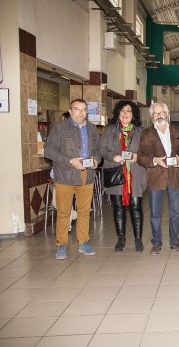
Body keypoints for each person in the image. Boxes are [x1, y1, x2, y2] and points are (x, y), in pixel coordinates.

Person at [44, 99, 100, 259]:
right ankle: (61, 245)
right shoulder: (59, 128)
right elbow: (49, 150)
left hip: (86, 175)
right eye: (77, 109)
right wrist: (69, 160)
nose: (81, 113)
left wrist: (96, 159)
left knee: (84, 211)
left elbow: (97, 149)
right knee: (63, 212)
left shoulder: (91, 128)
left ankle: (84, 242)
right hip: (65, 175)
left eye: (84, 110)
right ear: (70, 111)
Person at [138, 102, 179, 255]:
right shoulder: (146, 133)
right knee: (155, 214)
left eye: (161, 113)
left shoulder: (177, 131)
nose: (158, 116)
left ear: (167, 114)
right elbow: (140, 157)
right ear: (151, 117)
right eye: (155, 114)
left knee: (176, 213)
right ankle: (156, 243)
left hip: (174, 178)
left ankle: (174, 242)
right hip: (156, 179)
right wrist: (154, 160)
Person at [99, 101, 147, 252]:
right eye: (122, 111)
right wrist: (113, 156)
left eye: (129, 111)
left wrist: (137, 156)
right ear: (118, 114)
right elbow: (101, 148)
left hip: (135, 174)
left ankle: (138, 238)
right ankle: (121, 237)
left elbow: (148, 152)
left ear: (133, 115)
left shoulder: (141, 132)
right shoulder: (109, 130)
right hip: (115, 173)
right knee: (118, 207)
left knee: (136, 206)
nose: (125, 114)